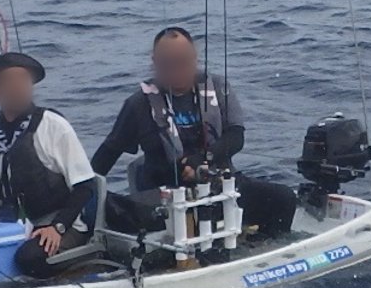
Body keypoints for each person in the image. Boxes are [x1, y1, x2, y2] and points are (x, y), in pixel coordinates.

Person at [89, 26, 298, 238]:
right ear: (155, 63)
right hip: (168, 200)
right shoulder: (138, 105)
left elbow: (236, 136)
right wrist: (82, 194)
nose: (177, 69)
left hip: (220, 186)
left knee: (284, 198)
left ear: (194, 58)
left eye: (183, 61)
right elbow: (107, 154)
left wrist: (205, 159)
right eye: (168, 63)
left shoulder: (217, 87)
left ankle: (261, 247)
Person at [0, 52, 99, 279]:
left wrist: (57, 227)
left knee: (30, 258)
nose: (19, 88)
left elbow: (86, 186)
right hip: (12, 227)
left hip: (62, 225)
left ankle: (85, 264)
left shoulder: (54, 126)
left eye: (24, 81)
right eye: (10, 82)